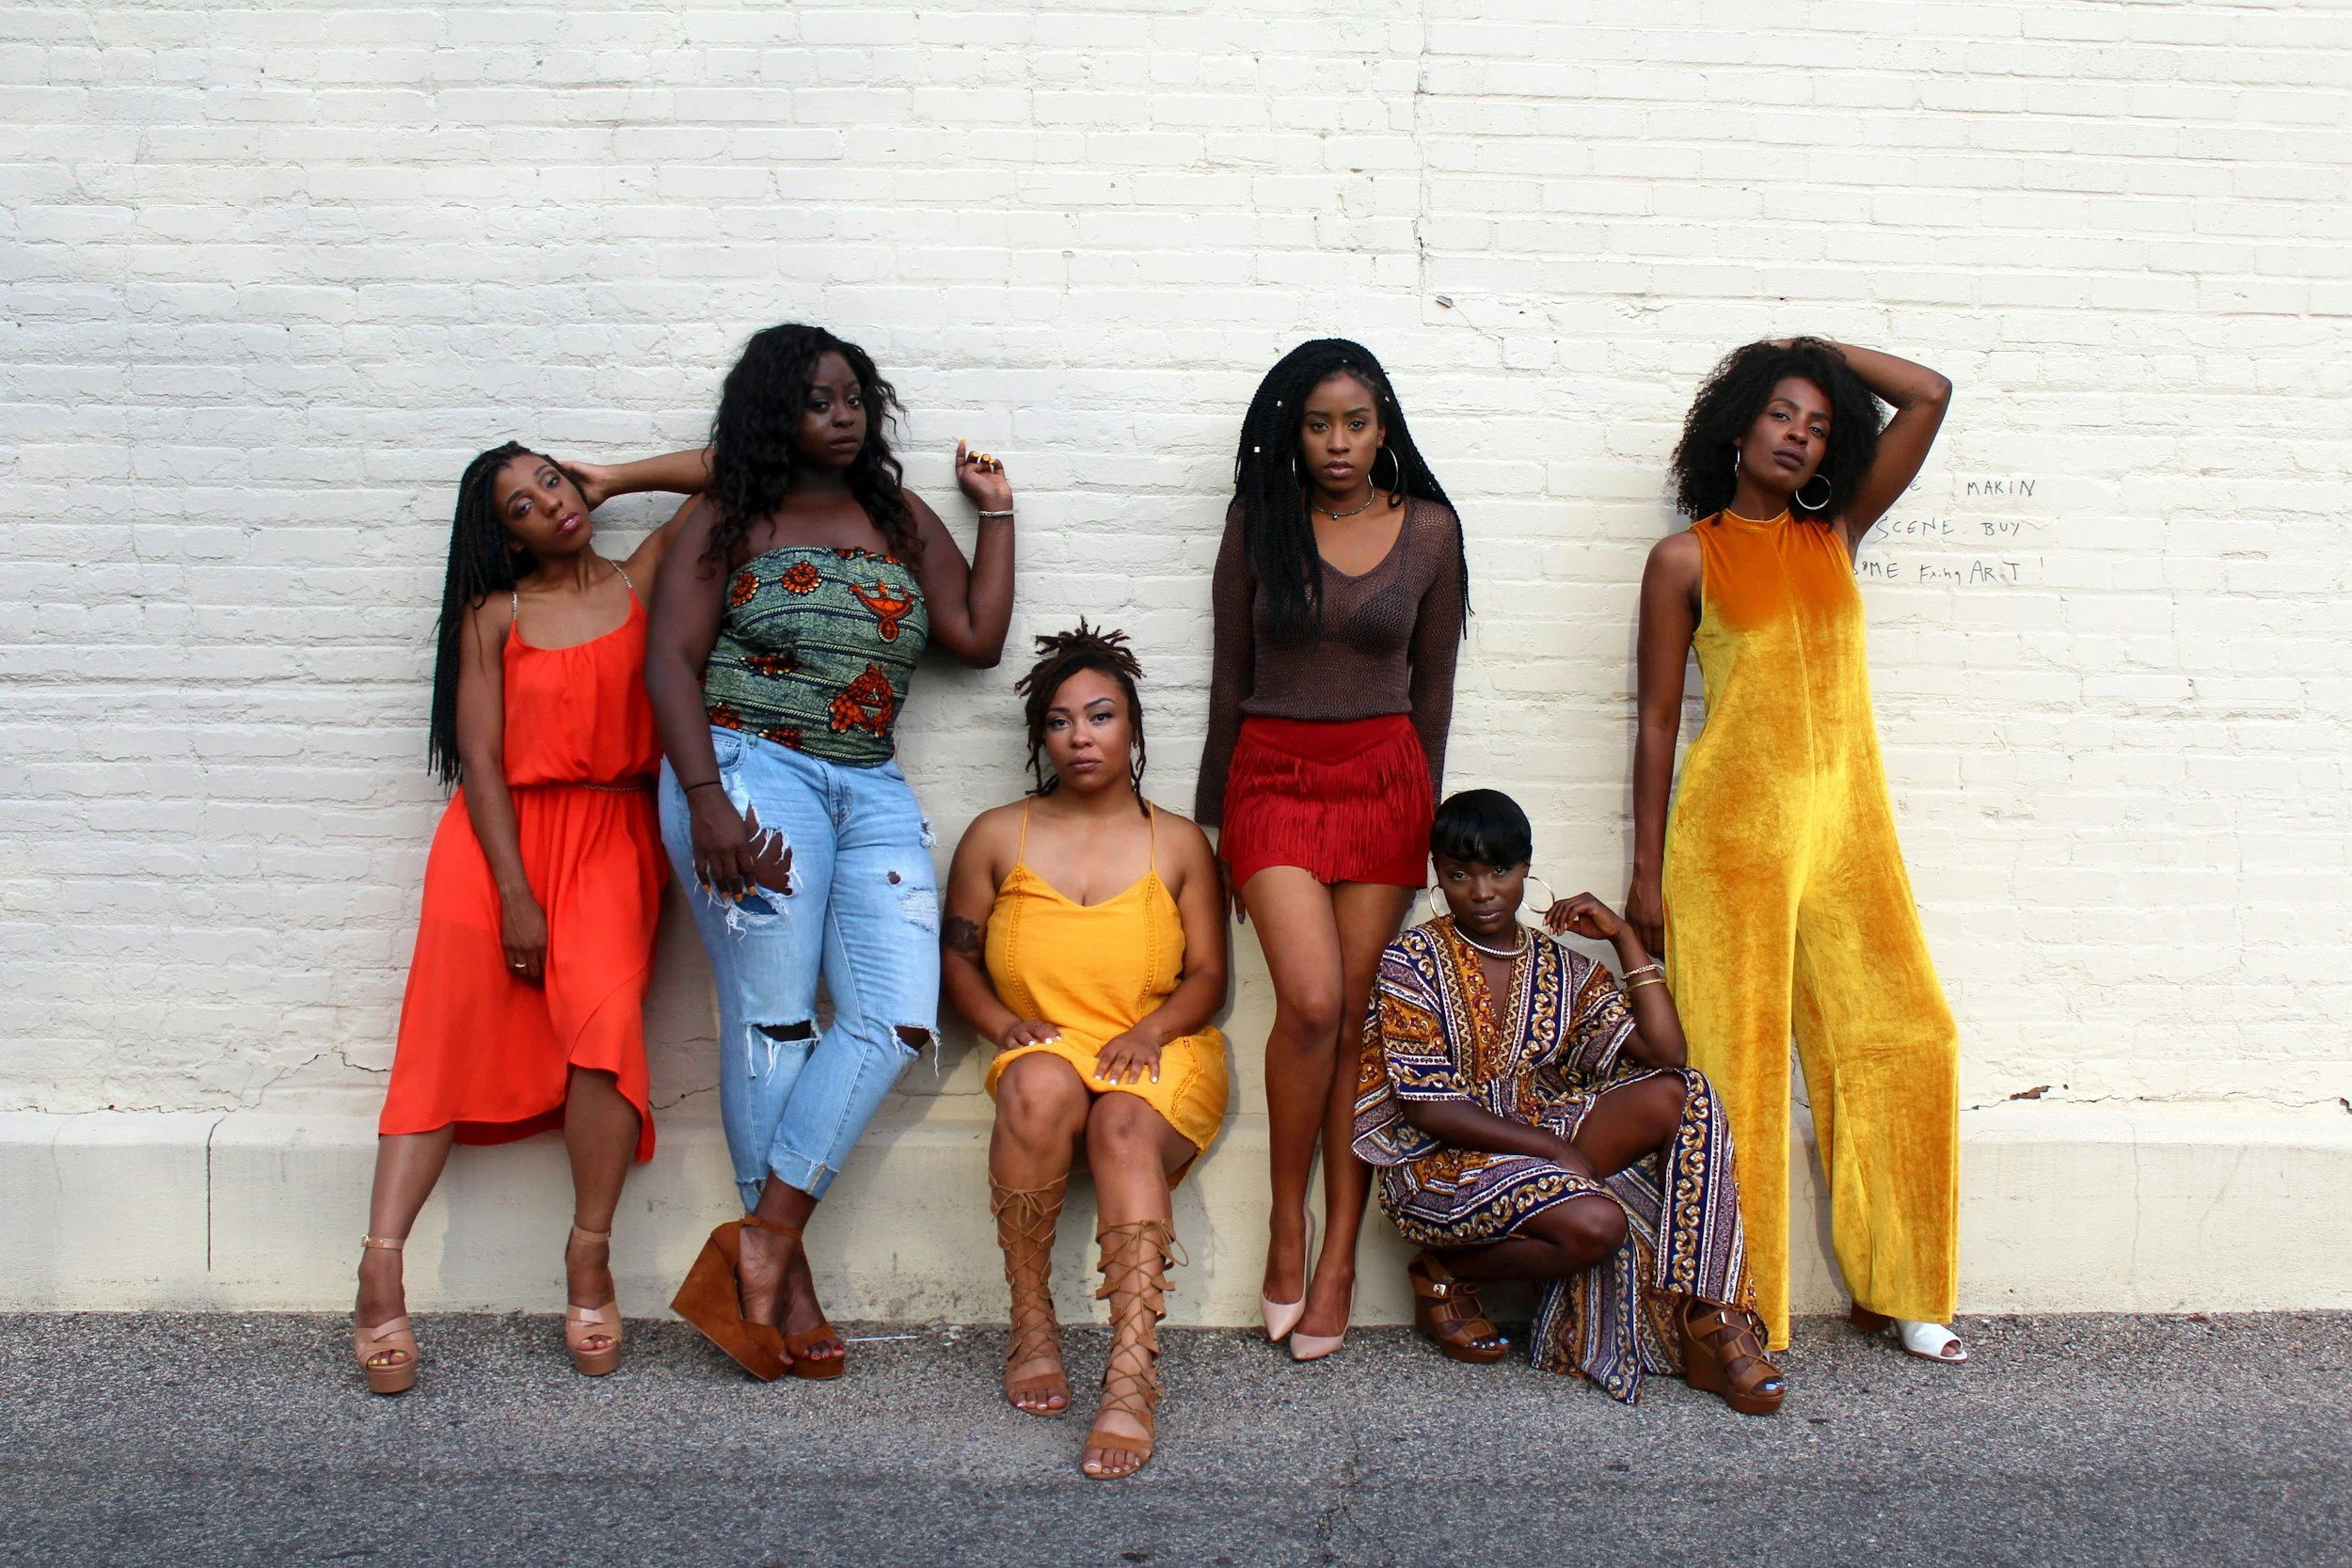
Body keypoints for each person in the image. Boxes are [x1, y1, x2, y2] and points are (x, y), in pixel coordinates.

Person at [647, 324, 1015, 1381]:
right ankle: (788, 1281)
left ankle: (760, 1242)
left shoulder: (896, 515)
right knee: (771, 1014)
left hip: (867, 779)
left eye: (856, 396)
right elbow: (669, 662)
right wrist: (708, 800)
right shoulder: (729, 515)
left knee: (897, 1013)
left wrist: (995, 515)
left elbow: (975, 635)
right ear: (776, 412)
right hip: (745, 765)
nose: (845, 414)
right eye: (819, 399)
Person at [1628, 337, 1964, 1362]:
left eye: (1817, 425)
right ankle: (1737, 1305)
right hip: (1730, 838)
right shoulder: (1686, 558)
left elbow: (1930, 393)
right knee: (1733, 1073)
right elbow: (1650, 722)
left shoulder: (1836, 533)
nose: (1798, 434)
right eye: (1781, 411)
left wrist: (1812, 350)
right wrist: (1645, 870)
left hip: (1848, 830)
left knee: (1908, 1034)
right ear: (1738, 423)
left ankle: (1902, 1284)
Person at [356, 442, 710, 1394]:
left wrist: (618, 479)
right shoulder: (493, 614)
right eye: (521, 504)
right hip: (495, 842)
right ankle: (381, 1266)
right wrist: (514, 890)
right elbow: (478, 755)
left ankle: (588, 1256)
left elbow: (737, 467)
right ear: (500, 536)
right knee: (439, 1042)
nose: (547, 504)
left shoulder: (644, 576)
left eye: (550, 479)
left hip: (611, 835)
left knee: (603, 1034)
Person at [1195, 339, 1467, 1360]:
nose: (1337, 441)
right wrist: (1218, 825)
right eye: (1317, 423)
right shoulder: (1255, 525)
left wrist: (1425, 820)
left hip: (1384, 783)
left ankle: (1342, 1252)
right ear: (1292, 431)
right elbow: (1229, 674)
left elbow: (1431, 691)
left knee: (1354, 1021)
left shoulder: (1431, 532)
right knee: (1308, 1001)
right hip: (1270, 776)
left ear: (1383, 426)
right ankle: (1285, 1222)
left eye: (1354, 421)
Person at [1353, 790, 1783, 1412]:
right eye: (1459, 873)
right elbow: (1426, 1107)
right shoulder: (1412, 960)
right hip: (1439, 1163)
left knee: (1689, 1093)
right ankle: (1443, 1270)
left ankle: (1712, 1314)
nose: (1481, 890)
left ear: (1526, 868)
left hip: (1540, 1138)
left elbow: (1665, 1054)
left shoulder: (1561, 967)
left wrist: (1625, 939)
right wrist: (1553, 1149)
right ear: (1438, 875)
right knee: (1599, 1225)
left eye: (1499, 870)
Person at [941, 624, 1231, 1480]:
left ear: (1133, 729)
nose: (1081, 736)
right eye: (1061, 721)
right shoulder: (999, 834)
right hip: (1049, 1045)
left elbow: (1208, 974)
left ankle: (1132, 1374)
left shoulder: (1177, 841)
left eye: (1100, 716)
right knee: (1032, 1088)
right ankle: (1031, 1321)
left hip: (1161, 1043)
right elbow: (956, 956)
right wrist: (1000, 1025)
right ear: (1042, 738)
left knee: (1124, 1132)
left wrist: (1151, 1030)